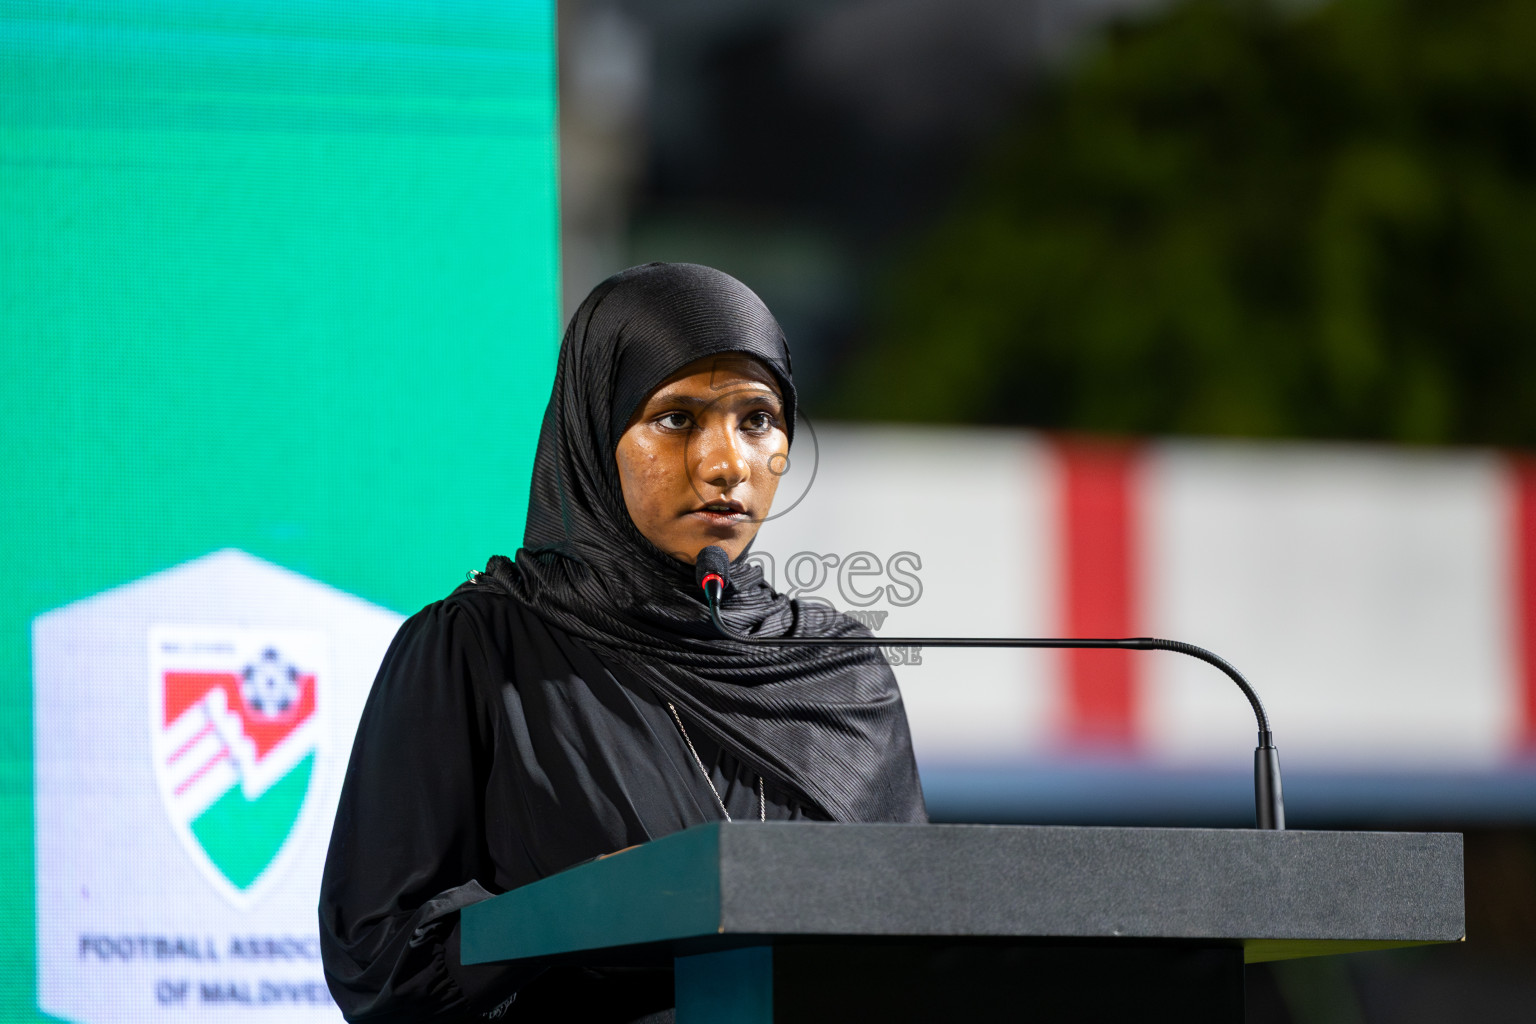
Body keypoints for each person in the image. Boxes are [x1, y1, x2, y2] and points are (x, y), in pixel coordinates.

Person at [318, 262, 927, 1022]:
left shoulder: (838, 672)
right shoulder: (477, 652)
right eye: (677, 419)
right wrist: (577, 911)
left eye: (757, 420)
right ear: (594, 430)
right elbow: (378, 963)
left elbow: (916, 943)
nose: (726, 463)